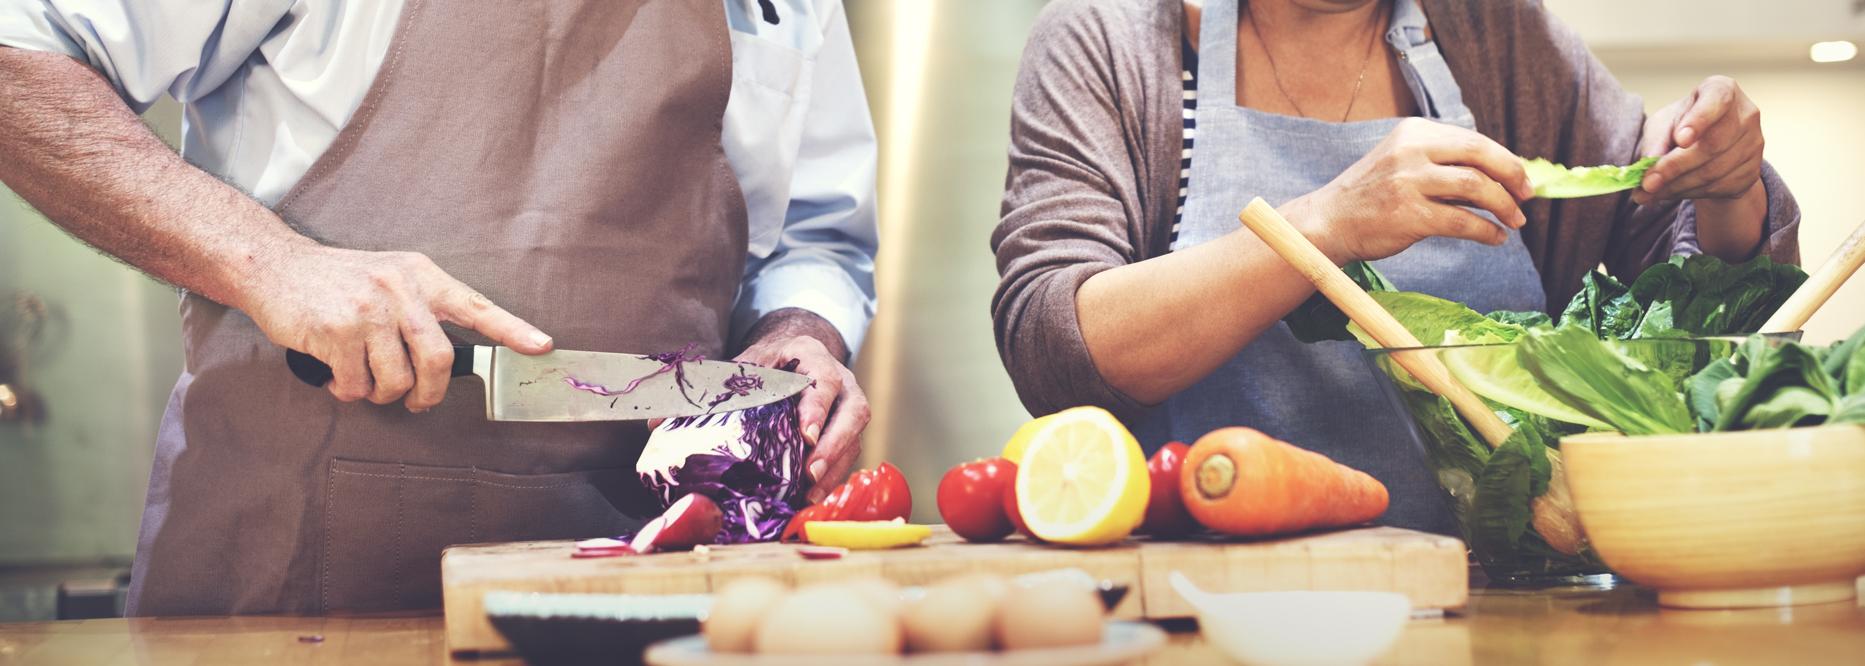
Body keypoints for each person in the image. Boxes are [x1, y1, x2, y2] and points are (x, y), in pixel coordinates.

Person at [0, 0, 877, 614]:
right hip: (297, 581)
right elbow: (17, 54)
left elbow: (816, 232)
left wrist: (799, 327)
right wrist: (271, 261)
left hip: (652, 582)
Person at [992, 0, 1798, 534]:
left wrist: (1727, 189)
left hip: (1504, 597)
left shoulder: (1494, 33)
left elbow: (1689, 319)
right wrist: (1325, 224)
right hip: (1201, 596)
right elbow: (1056, 345)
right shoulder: (1111, 39)